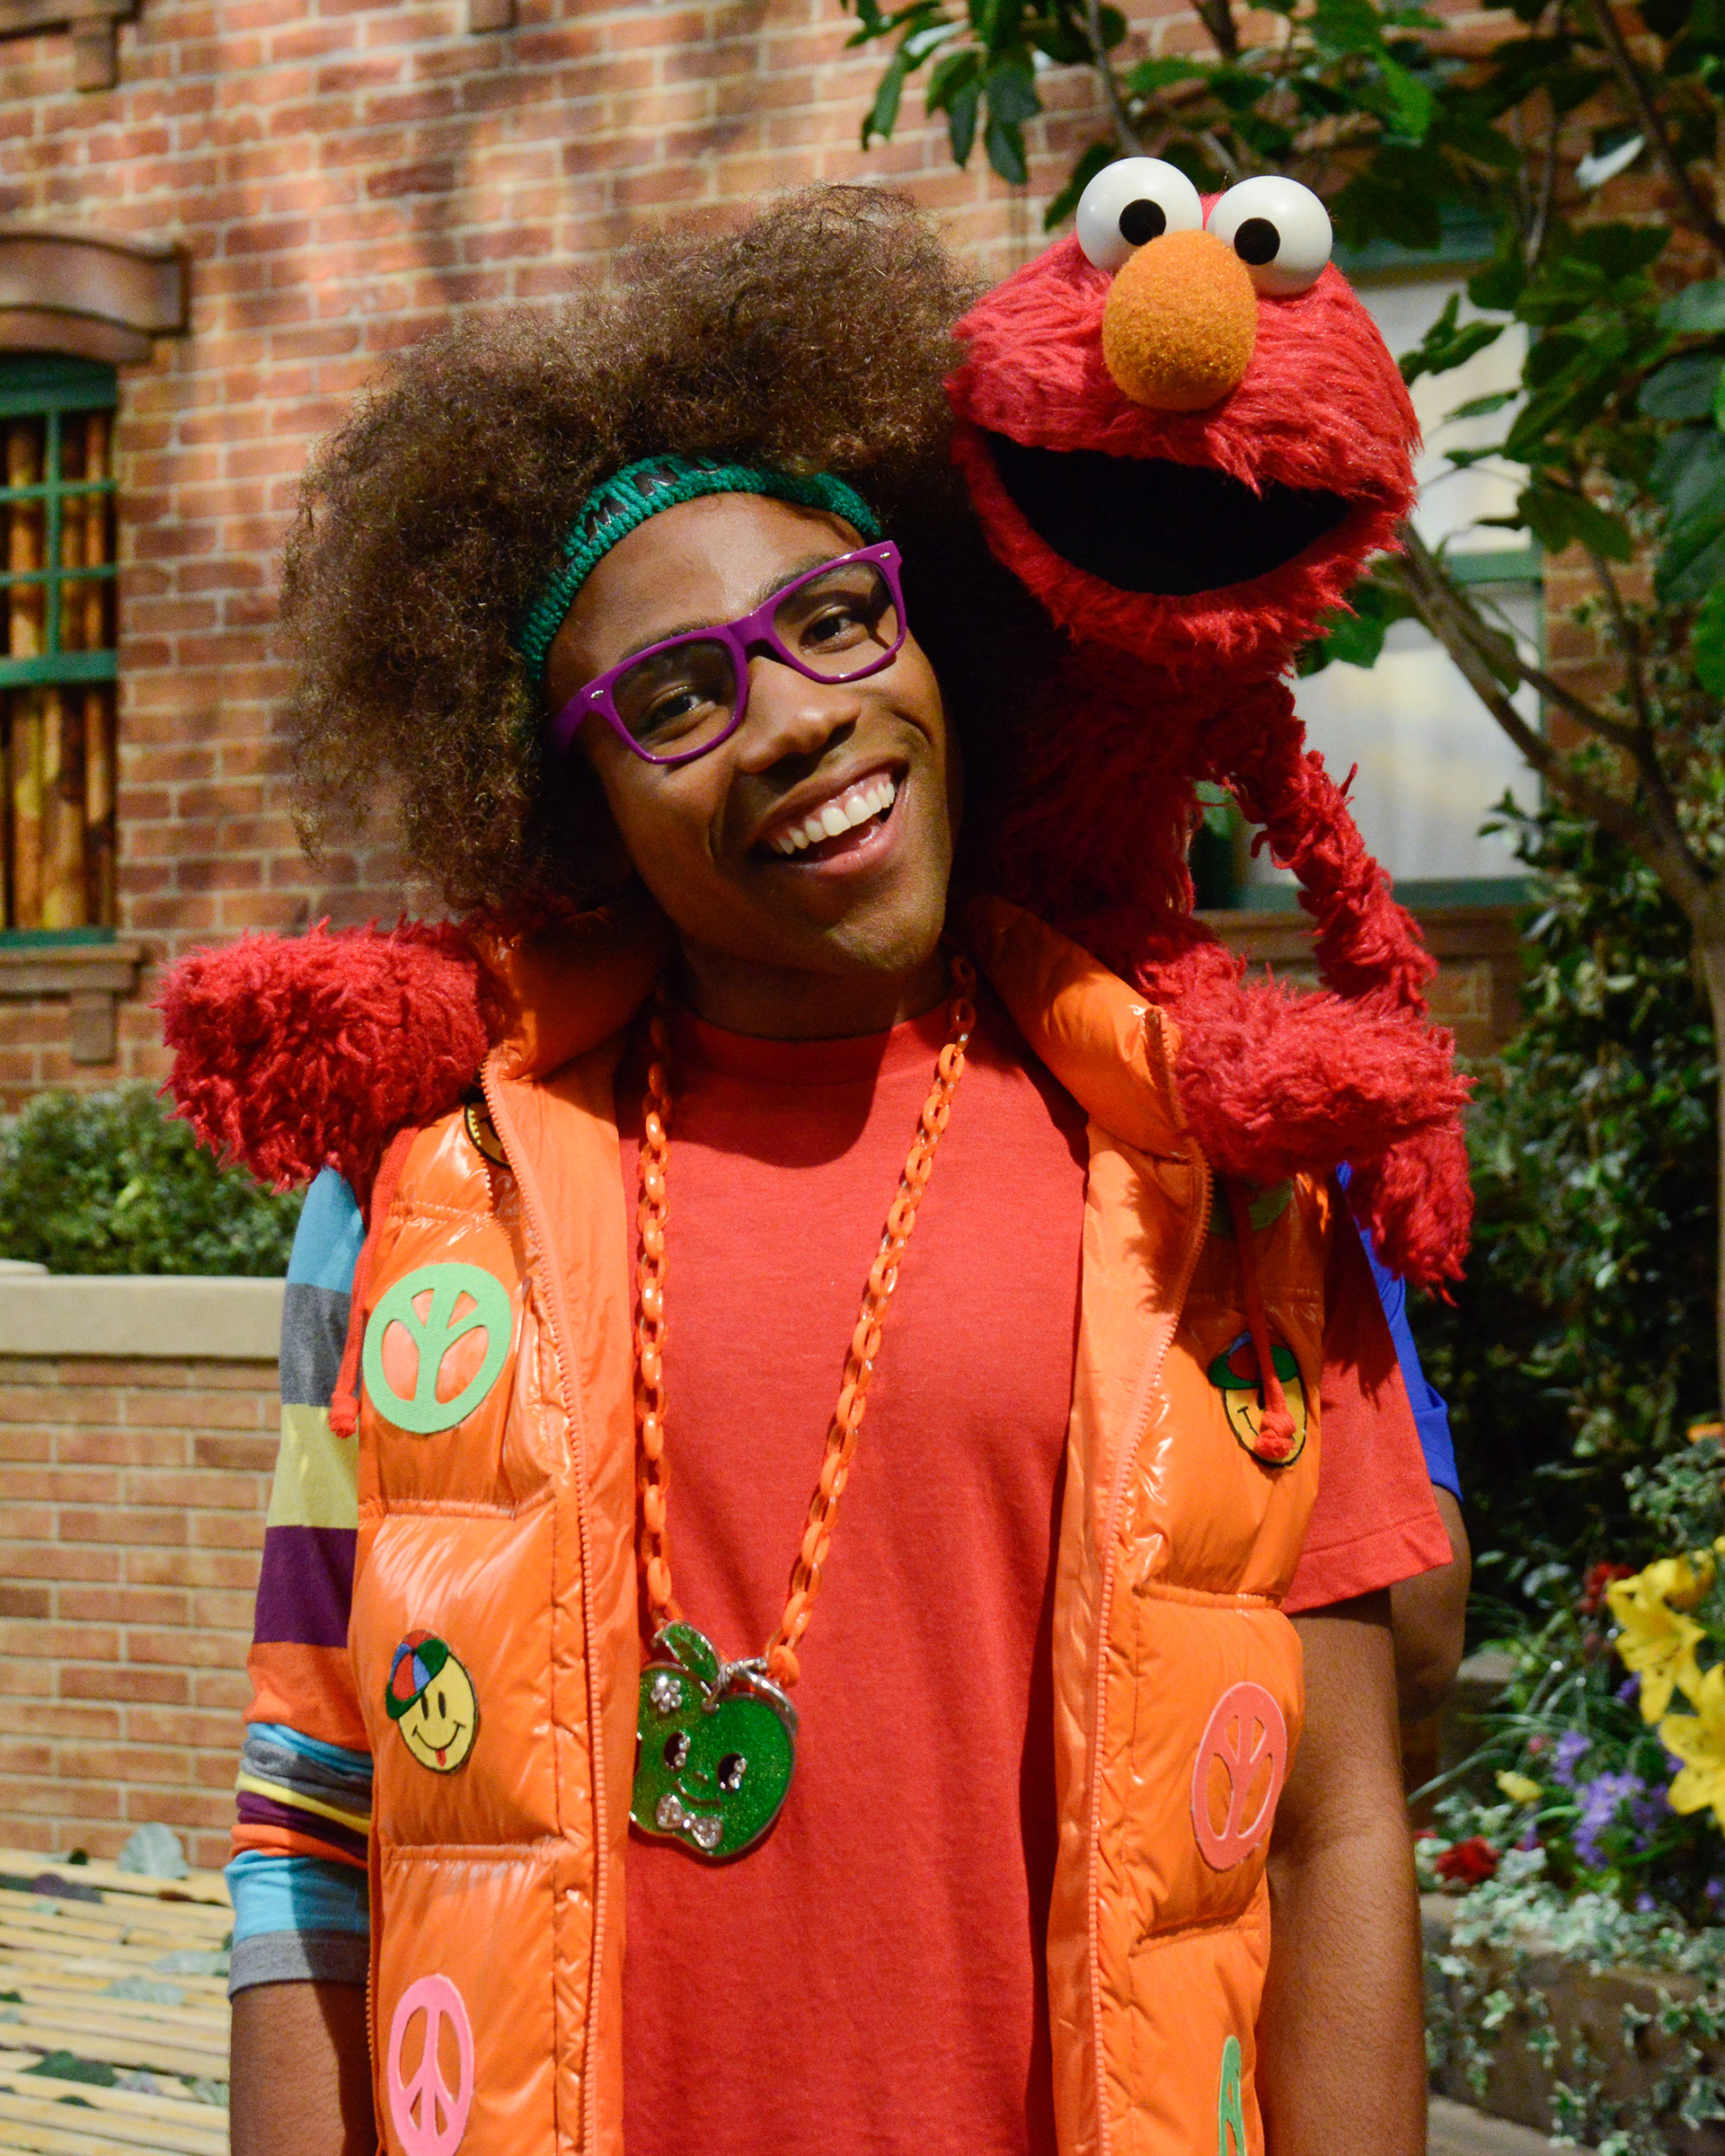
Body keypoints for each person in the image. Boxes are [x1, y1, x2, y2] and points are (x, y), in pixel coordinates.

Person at [195, 188, 1456, 2156]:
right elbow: (310, 1818)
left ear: (929, 633)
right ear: (579, 805)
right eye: (675, 699)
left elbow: (1333, 1819)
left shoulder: (1206, 1153)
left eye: (836, 618)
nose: (795, 720)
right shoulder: (417, 1193)